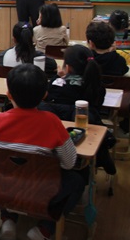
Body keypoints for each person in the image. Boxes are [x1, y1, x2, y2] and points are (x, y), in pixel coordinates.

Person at [0, 64, 84, 240]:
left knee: (6, 172)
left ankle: (7, 219)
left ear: (9, 95)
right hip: (41, 192)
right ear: (44, 95)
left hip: (2, 189)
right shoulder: (53, 123)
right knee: (77, 180)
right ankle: (45, 228)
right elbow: (69, 163)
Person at [39, 44, 116, 175]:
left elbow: (48, 96)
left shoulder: (56, 84)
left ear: (67, 67)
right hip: (88, 135)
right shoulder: (97, 87)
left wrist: (58, 77)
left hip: (58, 137)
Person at [86, 21, 130, 139]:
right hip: (118, 102)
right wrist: (113, 52)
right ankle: (122, 129)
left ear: (91, 43)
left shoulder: (87, 59)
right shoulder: (118, 60)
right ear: (112, 42)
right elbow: (124, 70)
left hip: (92, 101)